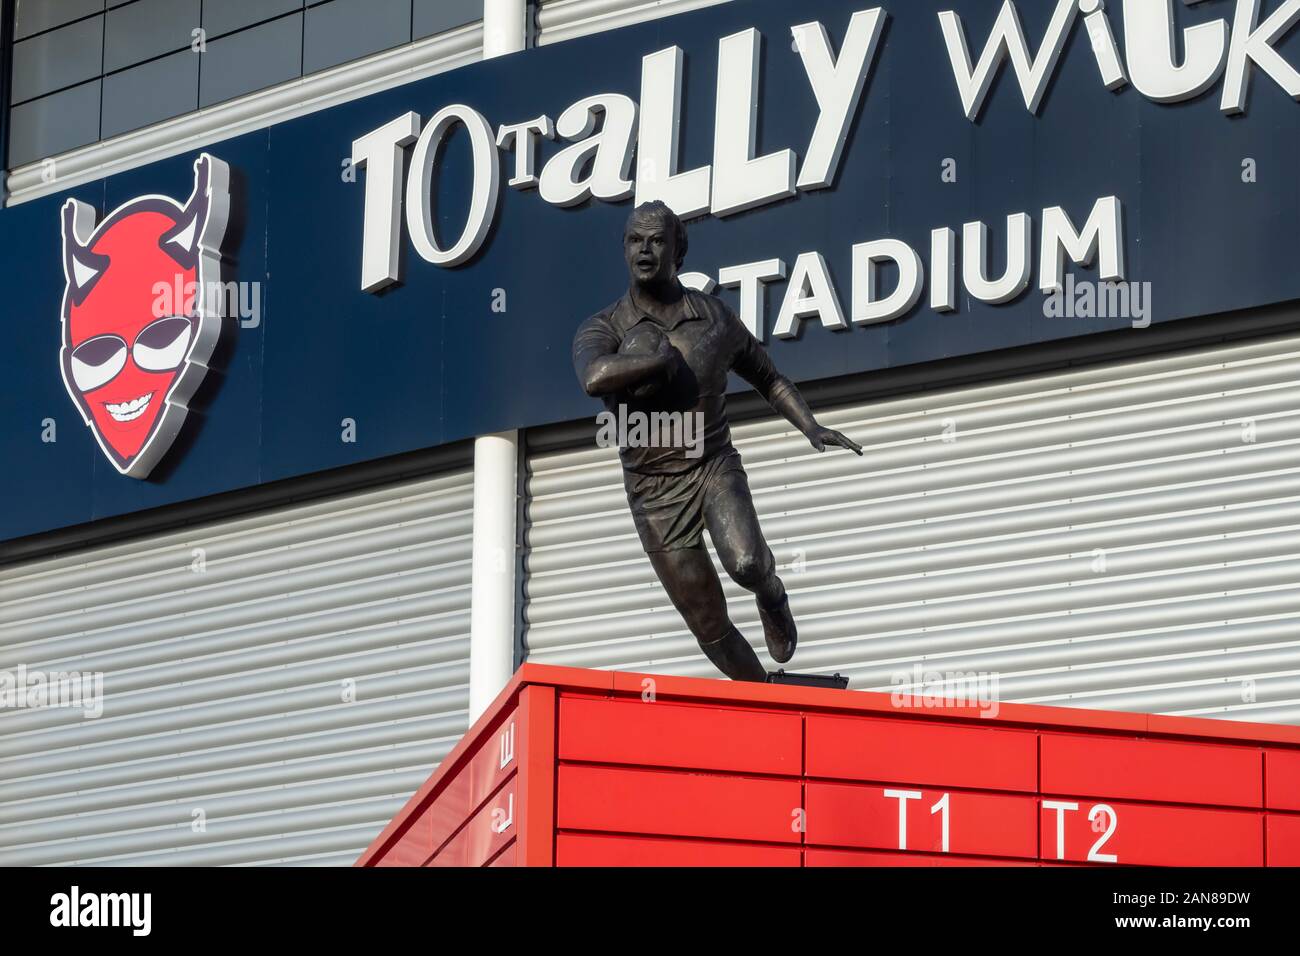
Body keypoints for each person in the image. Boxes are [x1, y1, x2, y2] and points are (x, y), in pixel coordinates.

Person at [572, 201, 863, 681]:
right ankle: (763, 697)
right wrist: (657, 363)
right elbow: (595, 376)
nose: (644, 250)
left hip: (711, 466)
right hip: (652, 494)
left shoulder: (714, 318)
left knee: (747, 562)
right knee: (707, 623)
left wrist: (810, 426)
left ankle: (773, 596)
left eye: (656, 240)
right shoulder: (604, 327)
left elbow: (768, 377)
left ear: (678, 252)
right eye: (634, 240)